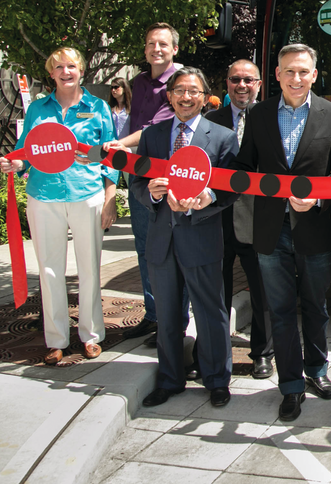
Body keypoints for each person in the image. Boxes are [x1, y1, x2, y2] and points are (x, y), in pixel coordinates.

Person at [232, 45, 331, 421]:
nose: (296, 78)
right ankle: (290, 386)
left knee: (315, 306)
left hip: (314, 228)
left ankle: (317, 371)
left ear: (314, 75)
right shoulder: (259, 114)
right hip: (270, 230)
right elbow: (244, 166)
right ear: (278, 75)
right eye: (288, 72)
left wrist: (317, 200)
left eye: (303, 71)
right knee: (279, 310)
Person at [0, 48, 119, 365]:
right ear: (51, 73)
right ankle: (56, 339)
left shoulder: (97, 108)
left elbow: (110, 155)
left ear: (82, 70)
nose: (66, 72)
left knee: (89, 269)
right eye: (59, 67)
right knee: (50, 270)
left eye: (72, 66)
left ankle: (91, 336)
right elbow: (26, 152)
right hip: (44, 196)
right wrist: (14, 165)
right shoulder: (38, 109)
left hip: (86, 194)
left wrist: (110, 197)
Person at [133, 67, 239, 409]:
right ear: (170, 96)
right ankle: (169, 379)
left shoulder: (222, 137)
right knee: (166, 314)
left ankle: (217, 381)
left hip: (201, 237)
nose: (186, 96)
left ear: (205, 97)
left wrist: (207, 198)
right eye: (179, 90)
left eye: (194, 90)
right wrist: (151, 193)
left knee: (211, 313)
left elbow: (231, 187)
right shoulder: (152, 136)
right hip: (162, 240)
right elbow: (135, 184)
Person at [206, 60, 275, 381]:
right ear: (227, 83)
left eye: (249, 80)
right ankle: (212, 352)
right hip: (216, 218)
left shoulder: (272, 117)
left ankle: (262, 353)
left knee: (261, 291)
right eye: (235, 79)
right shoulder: (209, 120)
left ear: (260, 84)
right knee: (214, 290)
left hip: (257, 218)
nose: (242, 85)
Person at [114, 23, 181, 347]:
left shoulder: (179, 83)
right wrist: (122, 149)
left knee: (172, 251)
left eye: (163, 44)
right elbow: (133, 121)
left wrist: (117, 144)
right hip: (139, 175)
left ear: (174, 49)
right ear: (145, 50)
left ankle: (172, 321)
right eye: (151, 43)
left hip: (168, 177)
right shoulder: (139, 83)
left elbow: (155, 128)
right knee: (144, 247)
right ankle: (153, 314)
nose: (157, 49)